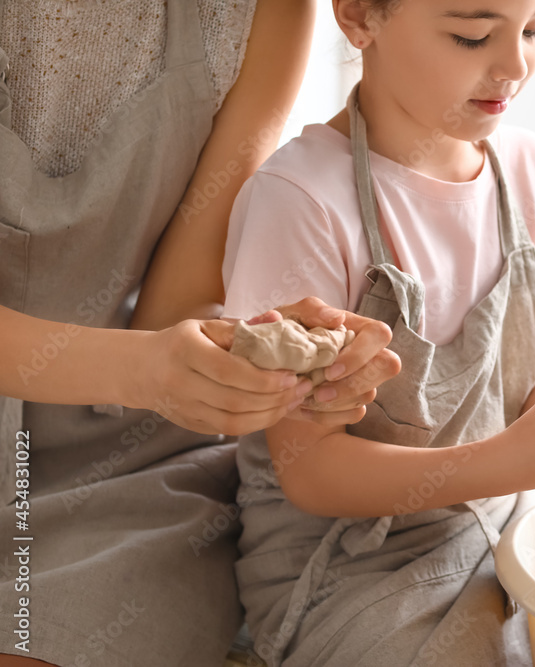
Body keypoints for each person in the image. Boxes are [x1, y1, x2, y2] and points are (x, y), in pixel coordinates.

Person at [221, 0, 535, 664]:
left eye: (534, 29)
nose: (514, 64)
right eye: (472, 35)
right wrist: (521, 459)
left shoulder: (534, 172)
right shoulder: (301, 199)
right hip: (349, 560)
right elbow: (312, 472)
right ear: (359, 16)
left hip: (504, 512)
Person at [0, 2, 399, 666]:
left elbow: (170, 316)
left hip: (121, 456)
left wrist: (268, 356)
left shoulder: (268, 13)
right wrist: (142, 368)